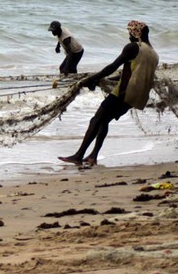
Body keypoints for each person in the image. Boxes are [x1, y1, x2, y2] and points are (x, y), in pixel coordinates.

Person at [58, 20, 158, 167]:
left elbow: (112, 67)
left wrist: (91, 79)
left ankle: (79, 156)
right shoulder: (153, 53)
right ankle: (92, 156)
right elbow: (133, 73)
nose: (129, 36)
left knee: (96, 120)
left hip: (123, 93)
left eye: (130, 32)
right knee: (104, 121)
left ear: (136, 33)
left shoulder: (133, 47)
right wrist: (103, 80)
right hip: (136, 97)